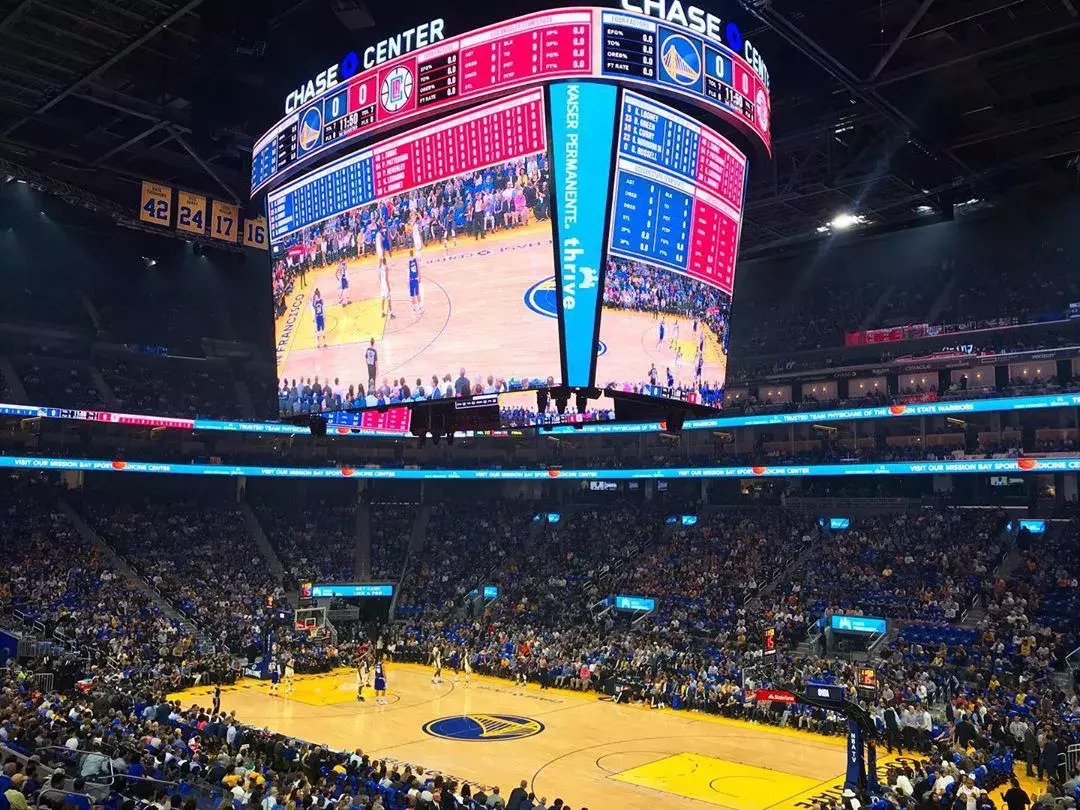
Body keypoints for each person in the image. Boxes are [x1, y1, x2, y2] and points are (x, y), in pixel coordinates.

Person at [407, 249, 423, 314]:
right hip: (415, 279)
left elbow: (408, 272)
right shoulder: (415, 260)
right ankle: (420, 307)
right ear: (413, 253)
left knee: (412, 295)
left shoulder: (409, 261)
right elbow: (418, 269)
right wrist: (420, 277)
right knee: (417, 293)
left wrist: (408, 282)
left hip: (411, 279)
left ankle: (414, 309)